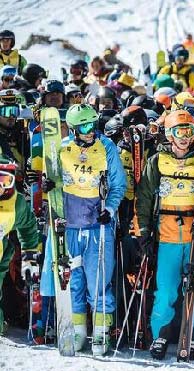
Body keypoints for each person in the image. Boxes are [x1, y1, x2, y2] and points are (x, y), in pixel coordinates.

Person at [42, 104, 126, 355]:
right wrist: (48, 184)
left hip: (97, 227)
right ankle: (78, 332)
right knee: (74, 282)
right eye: (86, 127)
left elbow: (119, 186)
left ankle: (101, 333)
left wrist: (108, 210)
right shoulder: (63, 148)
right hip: (70, 228)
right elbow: (53, 181)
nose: (92, 131)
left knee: (99, 281)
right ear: (75, 129)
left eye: (95, 125)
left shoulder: (106, 147)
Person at [135, 109, 194, 360]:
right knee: (167, 290)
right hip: (168, 234)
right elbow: (145, 198)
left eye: (189, 131)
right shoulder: (157, 161)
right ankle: (161, 334)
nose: (185, 137)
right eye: (179, 132)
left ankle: (192, 336)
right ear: (169, 134)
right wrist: (145, 232)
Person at [0, 161, 41, 336]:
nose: (0, 187)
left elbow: (29, 227)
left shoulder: (15, 204)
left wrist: (29, 257)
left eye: (5, 181)